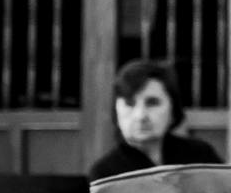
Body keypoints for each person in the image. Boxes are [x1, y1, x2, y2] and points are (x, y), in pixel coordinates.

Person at [87, 59, 221, 181]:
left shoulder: (201, 157)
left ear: (173, 109)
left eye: (152, 103)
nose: (140, 116)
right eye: (130, 104)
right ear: (116, 110)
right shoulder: (105, 175)